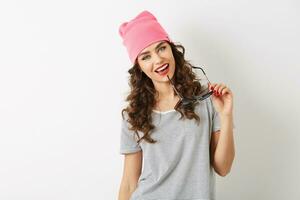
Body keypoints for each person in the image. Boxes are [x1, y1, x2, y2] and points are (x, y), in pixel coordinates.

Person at [117, 10, 235, 200]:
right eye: (145, 56)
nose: (158, 59)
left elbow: (223, 168)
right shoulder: (133, 115)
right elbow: (130, 182)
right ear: (138, 66)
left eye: (161, 48)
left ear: (171, 49)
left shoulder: (205, 99)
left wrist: (226, 116)